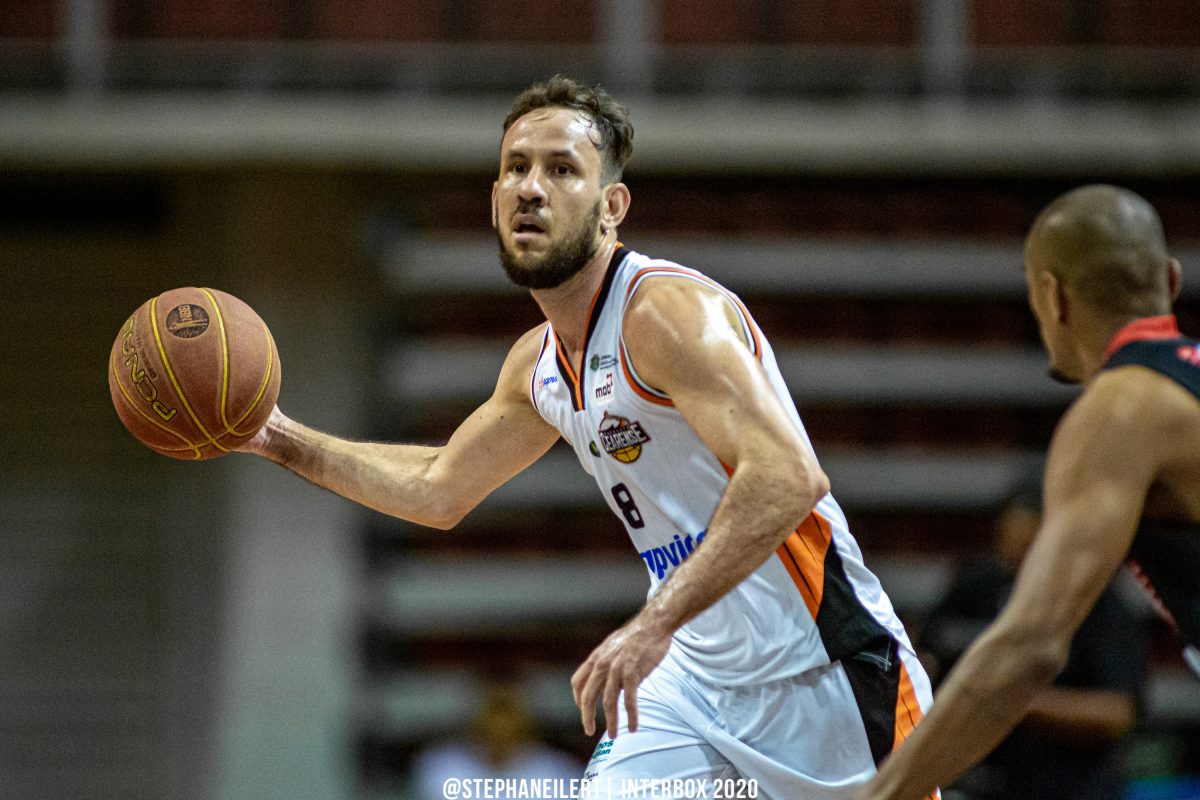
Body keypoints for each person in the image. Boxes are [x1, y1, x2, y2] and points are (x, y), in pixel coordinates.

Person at [241, 75, 934, 797]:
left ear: (612, 208)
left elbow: (789, 477)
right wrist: (278, 438)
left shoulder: (664, 313)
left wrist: (651, 623)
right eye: (515, 167)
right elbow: (439, 487)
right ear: (492, 201)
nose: (530, 188)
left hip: (825, 675)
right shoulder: (536, 365)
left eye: (561, 169)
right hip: (692, 684)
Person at [857, 184, 1200, 800]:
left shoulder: (1120, 410)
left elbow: (1030, 646)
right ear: (1170, 281)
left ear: (1051, 296)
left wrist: (885, 794)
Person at [918, 484, 1147, 799]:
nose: (1018, 564)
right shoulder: (977, 588)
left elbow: (1117, 713)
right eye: (1008, 549)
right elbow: (924, 655)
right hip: (980, 781)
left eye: (1029, 549)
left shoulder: (1099, 605)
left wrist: (1018, 703)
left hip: (1070, 786)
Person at [411, 679, 583, 800]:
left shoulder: (560, 772)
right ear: (476, 717)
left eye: (508, 712)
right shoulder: (438, 767)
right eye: (493, 711)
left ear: (527, 720)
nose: (500, 725)